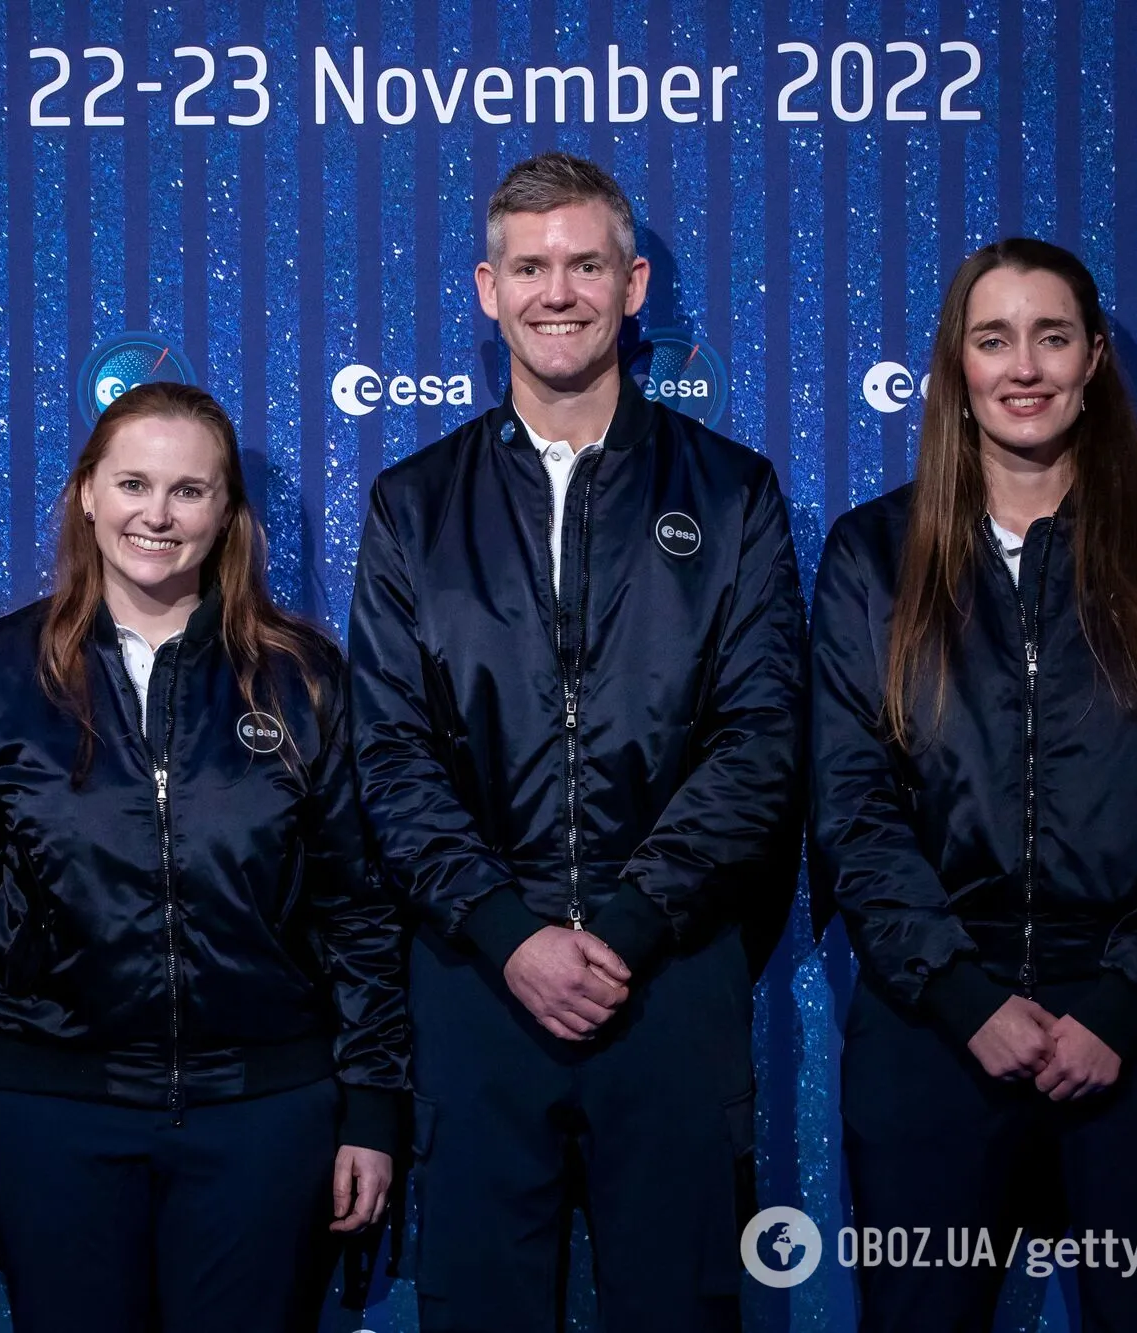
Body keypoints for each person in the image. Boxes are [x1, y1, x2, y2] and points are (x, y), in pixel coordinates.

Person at [349, 152, 807, 1332]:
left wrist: (625, 923)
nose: (559, 291)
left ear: (633, 282)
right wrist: (508, 933)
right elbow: (388, 754)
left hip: (666, 976)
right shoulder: (411, 503)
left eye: (586, 263)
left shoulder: (731, 490)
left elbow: (759, 741)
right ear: (486, 290)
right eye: (530, 266)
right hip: (473, 980)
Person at [808, 238, 1137, 1331]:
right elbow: (849, 802)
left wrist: (1114, 1004)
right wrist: (965, 998)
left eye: (1051, 336)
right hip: (936, 1034)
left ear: (1094, 358)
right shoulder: (871, 553)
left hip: (1136, 1037)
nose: (1024, 366)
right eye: (993, 337)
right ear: (953, 369)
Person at [0, 381, 408, 1333]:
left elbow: (359, 911)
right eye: (133, 482)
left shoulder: (303, 679)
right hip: (49, 1114)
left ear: (227, 513)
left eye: (189, 490)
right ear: (87, 494)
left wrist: (373, 1106)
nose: (158, 514)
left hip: (260, 1116)